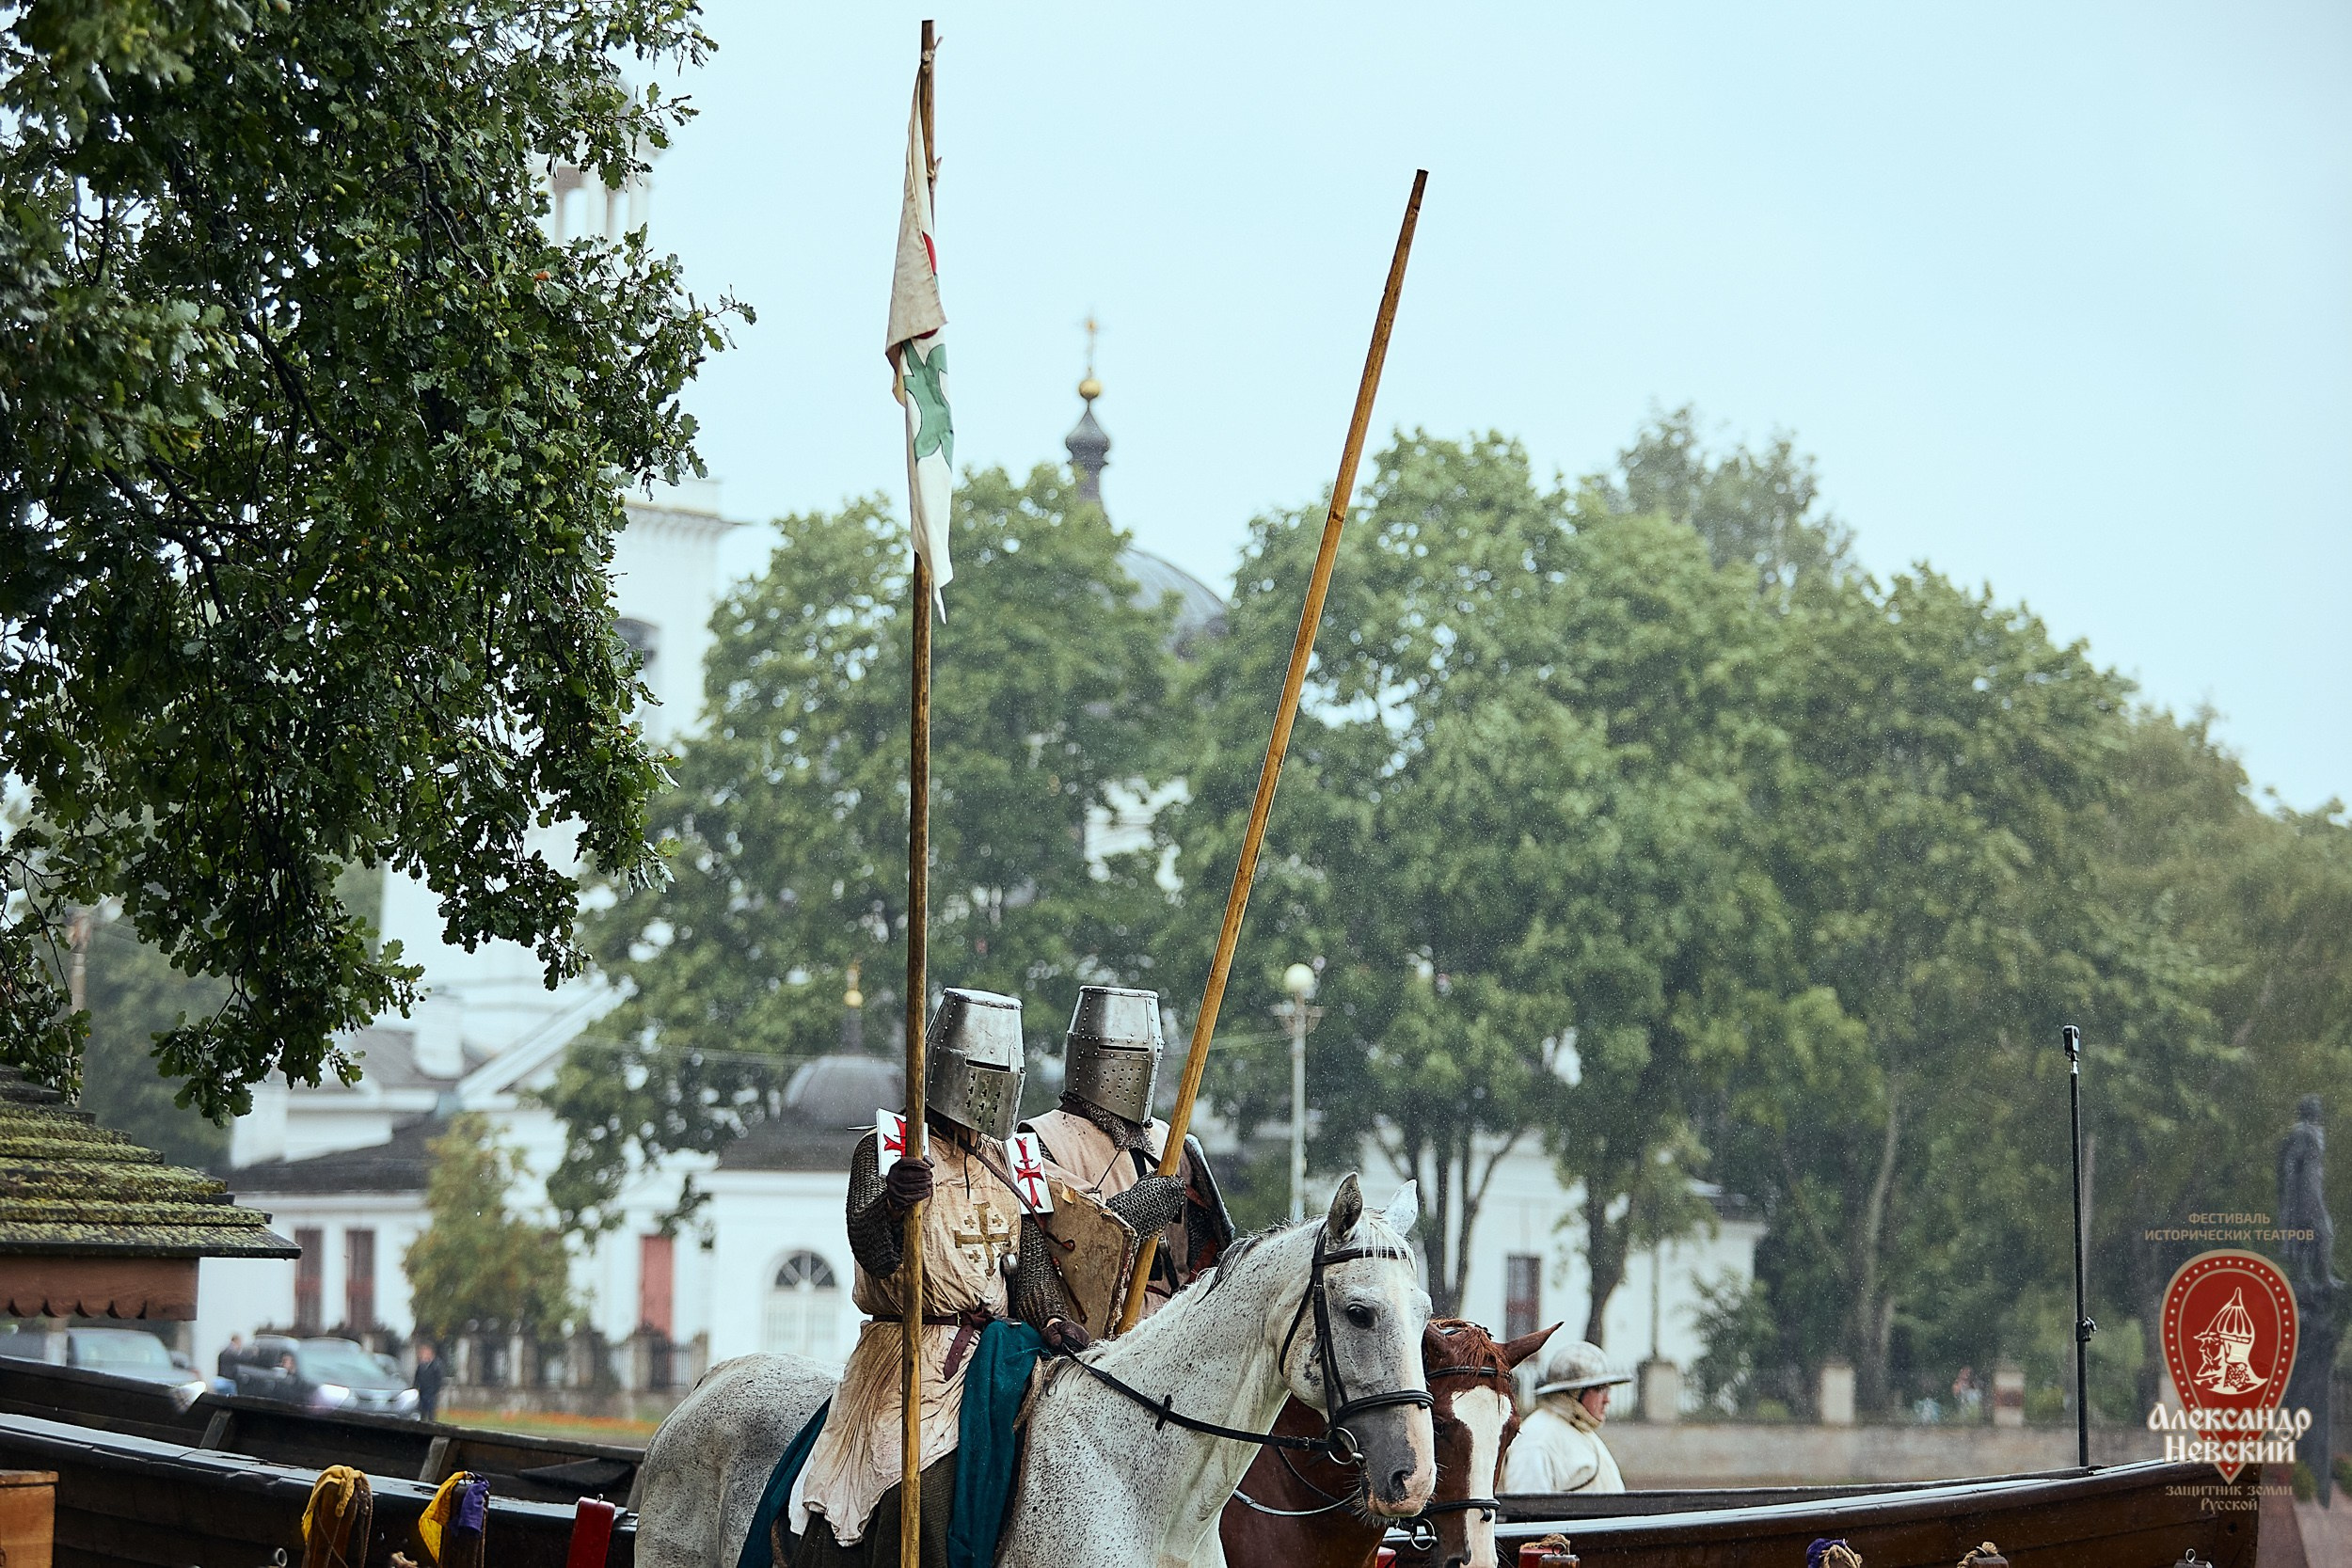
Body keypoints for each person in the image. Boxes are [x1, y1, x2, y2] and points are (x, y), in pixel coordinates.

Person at [788, 989, 1079, 1568]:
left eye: (1002, 1075)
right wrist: (892, 1206)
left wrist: (1048, 1316)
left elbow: (1029, 1260)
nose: (990, 1089)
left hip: (998, 1357)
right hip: (910, 1356)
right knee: (910, 1492)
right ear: (948, 1069)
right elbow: (871, 1248)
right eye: (980, 1073)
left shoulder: (1013, 1158)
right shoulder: (890, 1148)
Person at [1020, 985, 1233, 1322]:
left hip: (1179, 1324)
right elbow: (1044, 1261)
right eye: (1128, 1055)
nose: (1140, 1068)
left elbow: (1211, 1256)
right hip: (1093, 1331)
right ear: (1094, 1055)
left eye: (1149, 1054)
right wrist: (1130, 1215)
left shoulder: (1174, 1141)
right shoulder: (1040, 1140)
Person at [1501, 1339, 1631, 1495]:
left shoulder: (1578, 1429)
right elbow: (1530, 1512)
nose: (1607, 1400)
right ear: (1575, 1392)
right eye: (1599, 1389)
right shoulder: (1538, 1439)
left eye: (1607, 1390)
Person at [411, 1339, 445, 1421]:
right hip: (422, 1392)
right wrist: (416, 1388)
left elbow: (439, 1380)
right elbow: (417, 1378)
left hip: (431, 1393)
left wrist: (434, 1390)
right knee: (421, 1412)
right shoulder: (421, 1366)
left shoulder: (436, 1365)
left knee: (431, 1413)